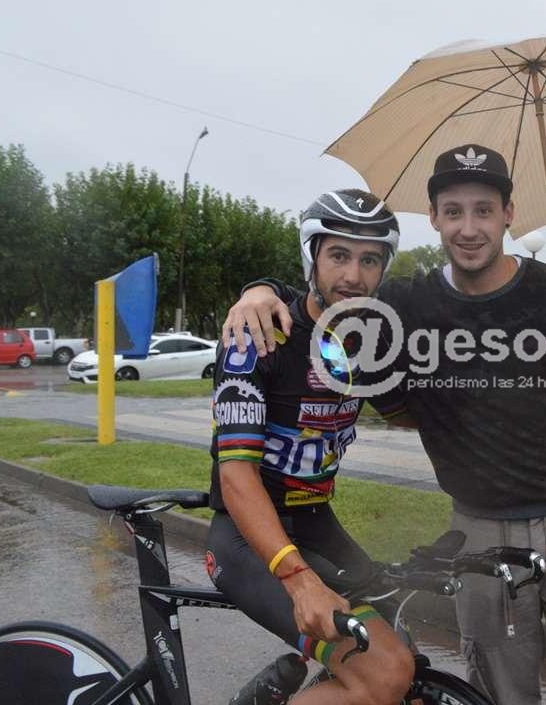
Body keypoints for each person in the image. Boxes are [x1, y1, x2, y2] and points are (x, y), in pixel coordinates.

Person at [223, 145, 546, 705]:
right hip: (480, 521)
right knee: (498, 687)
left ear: (508, 214)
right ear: (434, 219)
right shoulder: (406, 303)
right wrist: (259, 290)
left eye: (483, 210)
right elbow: (330, 295)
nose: (469, 228)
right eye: (454, 212)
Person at [205, 188, 414, 705]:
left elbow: (412, 415)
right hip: (248, 538)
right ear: (312, 259)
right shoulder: (258, 335)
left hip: (317, 520)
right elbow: (236, 476)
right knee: (384, 673)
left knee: (402, 652)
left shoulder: (366, 343)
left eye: (369, 260)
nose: (353, 275)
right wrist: (300, 581)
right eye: (338, 255)